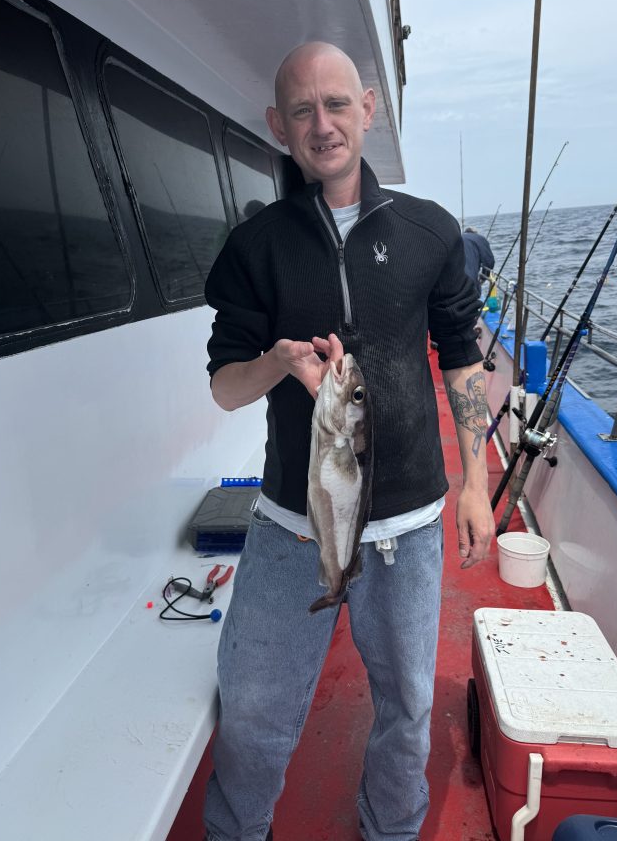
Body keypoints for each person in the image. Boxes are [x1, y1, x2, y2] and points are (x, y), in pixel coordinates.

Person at [203, 42, 495, 841]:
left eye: (337, 105)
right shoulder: (253, 248)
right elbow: (225, 385)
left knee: (407, 707)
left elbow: (464, 356)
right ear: (278, 124)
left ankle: (390, 832)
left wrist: (475, 483)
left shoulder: (430, 231)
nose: (321, 124)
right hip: (292, 522)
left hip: (408, 527)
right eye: (302, 110)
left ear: (369, 109)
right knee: (255, 707)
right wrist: (274, 362)